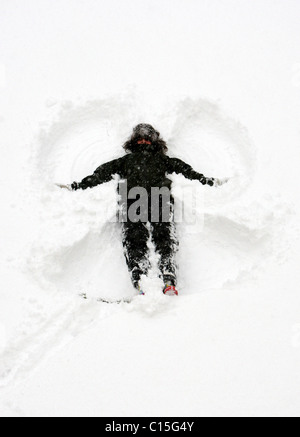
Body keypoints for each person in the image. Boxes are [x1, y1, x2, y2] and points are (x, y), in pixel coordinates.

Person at [57, 124, 228, 296]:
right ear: (134, 141)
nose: (143, 141)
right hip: (133, 200)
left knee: (164, 236)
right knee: (134, 236)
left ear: (154, 141)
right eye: (140, 138)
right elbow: (102, 172)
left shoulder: (162, 159)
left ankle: (168, 275)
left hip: (158, 198)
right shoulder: (126, 161)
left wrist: (205, 180)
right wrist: (79, 185)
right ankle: (139, 276)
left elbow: (185, 169)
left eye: (147, 138)